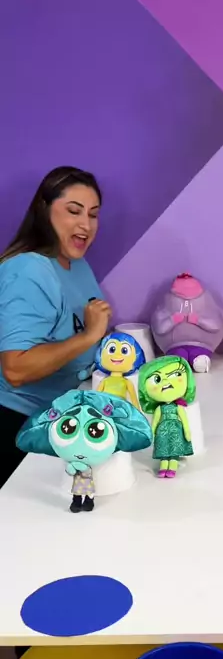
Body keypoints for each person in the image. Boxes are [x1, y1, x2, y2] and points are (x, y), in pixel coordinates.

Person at [0, 166, 112, 489]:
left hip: (62, 418)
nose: (86, 224)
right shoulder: (28, 270)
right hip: (18, 427)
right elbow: (15, 368)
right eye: (74, 211)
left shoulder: (77, 264)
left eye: (93, 214)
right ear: (44, 210)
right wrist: (88, 336)